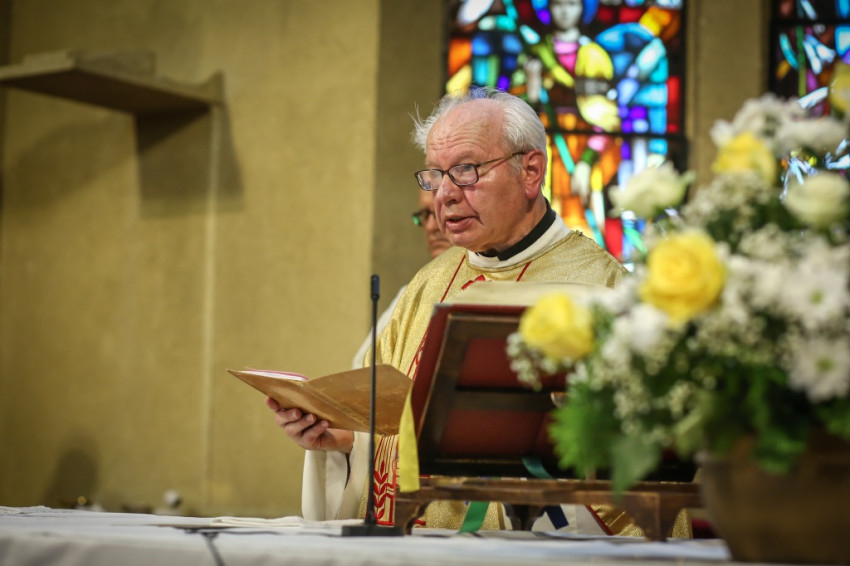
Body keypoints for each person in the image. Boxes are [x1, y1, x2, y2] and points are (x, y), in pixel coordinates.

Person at [269, 87, 629, 530]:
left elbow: (629, 463)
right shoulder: (428, 285)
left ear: (531, 171)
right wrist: (346, 441)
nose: (444, 194)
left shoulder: (602, 291)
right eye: (435, 175)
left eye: (465, 170)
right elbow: (382, 424)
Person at [349, 190, 451, 369]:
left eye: (438, 213)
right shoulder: (412, 292)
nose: (430, 227)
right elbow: (362, 368)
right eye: (425, 215)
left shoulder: (487, 285)